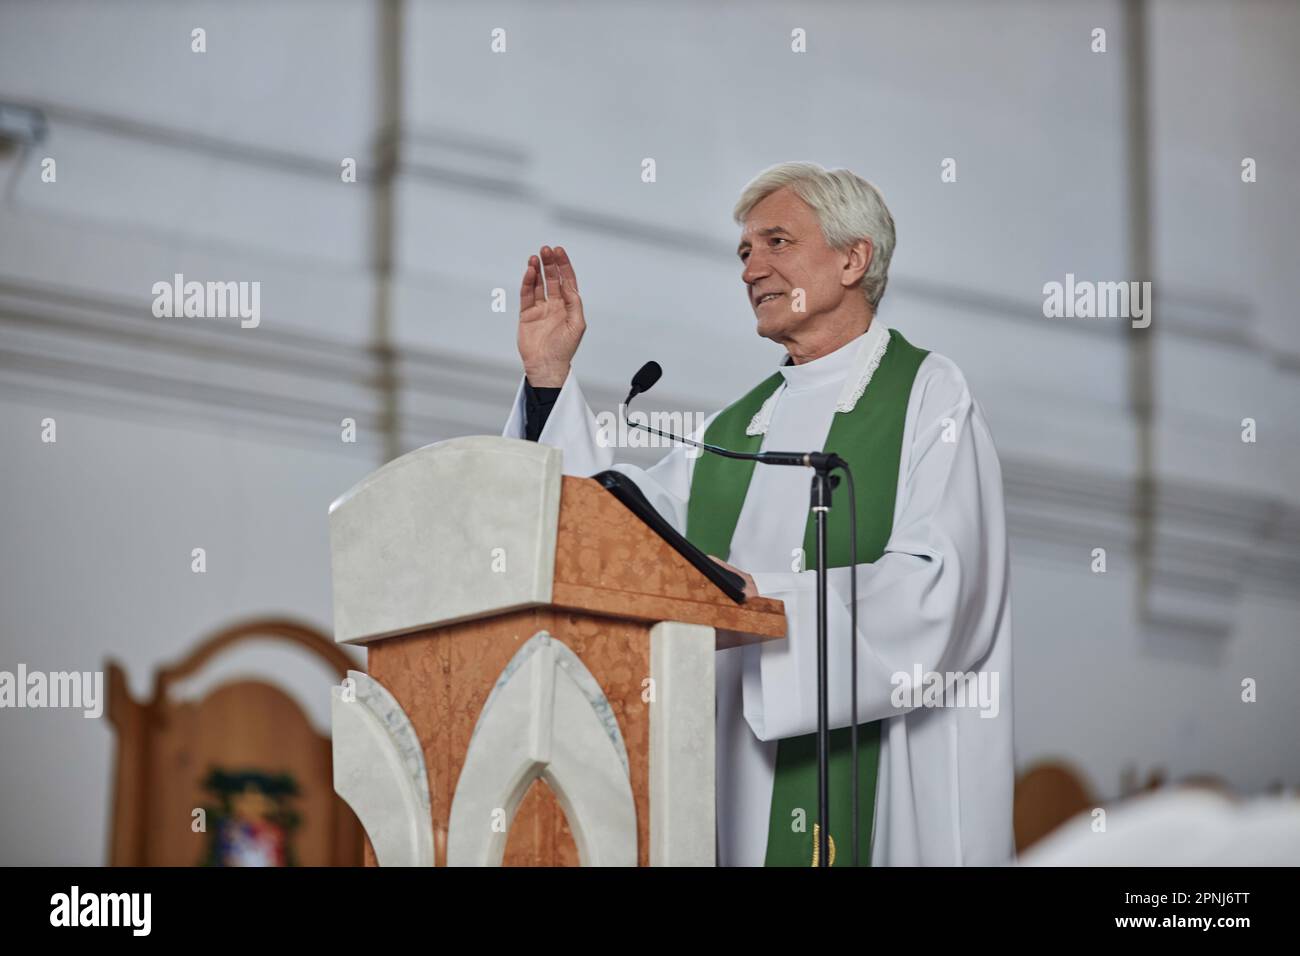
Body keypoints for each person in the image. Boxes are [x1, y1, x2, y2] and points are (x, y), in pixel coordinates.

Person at [502, 161, 1014, 866]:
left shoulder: (928, 395)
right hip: (739, 781)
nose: (751, 269)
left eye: (776, 242)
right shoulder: (739, 428)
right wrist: (549, 379)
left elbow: (943, 591)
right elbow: (613, 531)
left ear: (852, 258)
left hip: (885, 784)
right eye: (744, 252)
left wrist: (766, 603)